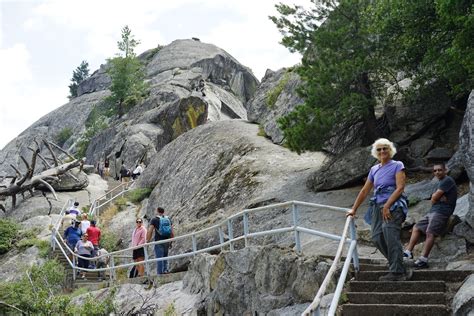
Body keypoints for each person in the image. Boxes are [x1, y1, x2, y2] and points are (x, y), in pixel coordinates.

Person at [346, 138, 410, 281]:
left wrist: (387, 206)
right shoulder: (374, 169)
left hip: (393, 206)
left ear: (390, 150)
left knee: (391, 236)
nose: (382, 151)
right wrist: (353, 209)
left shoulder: (397, 165)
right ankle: (398, 265)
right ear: (376, 152)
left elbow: (400, 188)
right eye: (379, 149)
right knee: (376, 237)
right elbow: (364, 191)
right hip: (377, 206)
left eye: (385, 148)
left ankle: (397, 272)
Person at [403, 163, 458, 268]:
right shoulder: (439, 182)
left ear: (445, 170)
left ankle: (423, 259)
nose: (437, 172)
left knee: (430, 232)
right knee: (416, 227)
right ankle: (408, 252)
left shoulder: (447, 180)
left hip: (442, 212)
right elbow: (434, 198)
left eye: (439, 170)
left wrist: (436, 198)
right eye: (435, 171)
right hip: (433, 211)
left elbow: (434, 198)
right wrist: (436, 198)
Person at [147, 207, 173, 275]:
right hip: (167, 240)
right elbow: (172, 231)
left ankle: (160, 274)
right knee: (165, 257)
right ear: (163, 212)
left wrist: (147, 241)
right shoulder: (168, 219)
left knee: (159, 259)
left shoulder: (154, 219)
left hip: (159, 241)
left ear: (157, 211)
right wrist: (171, 241)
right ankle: (165, 270)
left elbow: (150, 231)